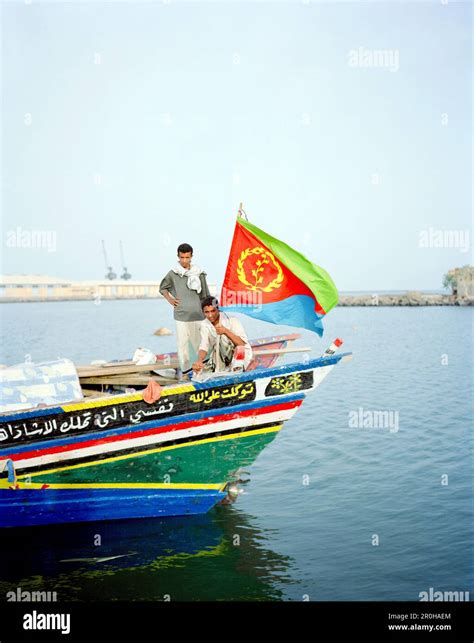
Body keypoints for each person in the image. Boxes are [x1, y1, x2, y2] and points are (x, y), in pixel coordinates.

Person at [160, 243, 210, 375]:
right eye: (182, 257)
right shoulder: (173, 274)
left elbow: (206, 295)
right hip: (181, 315)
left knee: (201, 343)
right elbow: (163, 288)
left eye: (187, 257)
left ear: (191, 257)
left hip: (199, 315)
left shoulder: (199, 273)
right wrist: (170, 300)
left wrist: (213, 313)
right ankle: (186, 372)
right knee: (183, 346)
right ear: (178, 257)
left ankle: (204, 369)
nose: (184, 261)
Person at [192, 297, 253, 374]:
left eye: (213, 311)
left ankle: (237, 369)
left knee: (237, 348)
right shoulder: (204, 324)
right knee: (199, 371)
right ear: (203, 312)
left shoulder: (232, 319)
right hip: (221, 356)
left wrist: (225, 331)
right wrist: (199, 361)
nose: (210, 315)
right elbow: (204, 345)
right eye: (207, 312)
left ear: (218, 309)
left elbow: (241, 344)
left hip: (240, 354)